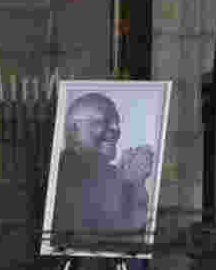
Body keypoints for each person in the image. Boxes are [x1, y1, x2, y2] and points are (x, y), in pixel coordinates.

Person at [51, 92, 155, 243]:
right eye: (102, 122)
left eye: (116, 123)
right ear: (76, 129)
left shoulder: (110, 174)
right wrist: (133, 184)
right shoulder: (61, 175)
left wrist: (128, 182)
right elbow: (121, 238)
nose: (116, 129)